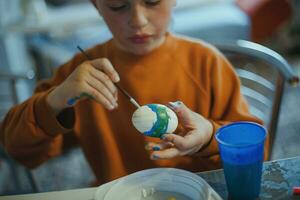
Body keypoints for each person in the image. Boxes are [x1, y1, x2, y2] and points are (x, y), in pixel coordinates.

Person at [0, 0, 264, 185]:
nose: (137, 20)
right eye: (118, 6)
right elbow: (17, 149)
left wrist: (208, 137)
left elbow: (258, 156)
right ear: (96, 5)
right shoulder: (80, 76)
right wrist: (55, 100)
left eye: (151, 1)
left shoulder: (207, 63)